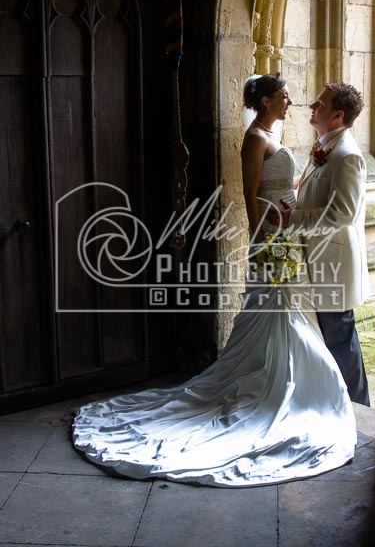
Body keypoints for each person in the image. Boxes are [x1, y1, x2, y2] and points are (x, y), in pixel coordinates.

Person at [73, 74, 357, 487]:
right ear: (265, 100)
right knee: (278, 313)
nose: (292, 101)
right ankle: (281, 387)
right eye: (284, 96)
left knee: (285, 314)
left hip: (289, 238)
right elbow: (249, 196)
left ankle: (290, 384)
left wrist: (291, 202)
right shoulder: (256, 137)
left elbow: (283, 187)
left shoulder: (275, 134)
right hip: (273, 240)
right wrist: (266, 239)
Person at [266, 83, 370, 406]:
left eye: (320, 104)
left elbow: (341, 214)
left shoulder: (348, 156)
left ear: (338, 115)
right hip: (317, 260)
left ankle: (359, 408)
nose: (312, 106)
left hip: (335, 267)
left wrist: (290, 220)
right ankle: (338, 404)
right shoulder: (324, 147)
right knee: (330, 338)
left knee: (340, 339)